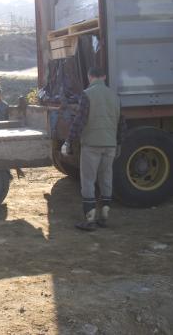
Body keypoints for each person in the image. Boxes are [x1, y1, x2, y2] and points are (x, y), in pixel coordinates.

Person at [62, 66, 122, 231]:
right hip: (110, 145)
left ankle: (89, 220)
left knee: (88, 181)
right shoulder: (115, 96)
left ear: (90, 77)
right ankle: (104, 216)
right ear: (104, 77)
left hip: (92, 145)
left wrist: (68, 141)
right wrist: (119, 143)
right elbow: (121, 122)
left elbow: (80, 121)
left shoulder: (87, 94)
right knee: (106, 178)